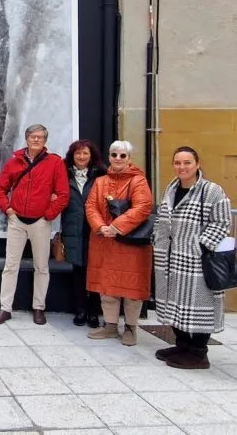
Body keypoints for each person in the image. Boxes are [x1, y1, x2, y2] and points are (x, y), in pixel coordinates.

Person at [153, 146, 232, 369]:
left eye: (187, 162)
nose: (182, 167)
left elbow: (222, 223)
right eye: (178, 162)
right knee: (174, 303)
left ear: (197, 164)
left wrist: (199, 246)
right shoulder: (170, 189)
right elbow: (161, 218)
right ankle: (182, 345)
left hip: (197, 261)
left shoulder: (211, 191)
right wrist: (156, 239)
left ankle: (198, 353)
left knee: (199, 305)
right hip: (169, 259)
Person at [0, 124, 69, 326]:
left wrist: (48, 215)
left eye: (41, 137)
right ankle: (5, 308)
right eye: (33, 137)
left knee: (41, 267)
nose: (36, 140)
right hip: (17, 221)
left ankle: (39, 308)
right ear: (26, 139)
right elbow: (0, 188)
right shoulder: (15, 161)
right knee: (10, 266)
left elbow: (63, 195)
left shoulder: (55, 163)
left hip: (40, 223)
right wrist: (8, 209)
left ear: (45, 141)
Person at [85, 140, 154, 346]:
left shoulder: (138, 181)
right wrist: (100, 227)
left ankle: (131, 328)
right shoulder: (100, 182)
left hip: (130, 244)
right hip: (104, 242)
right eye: (114, 154)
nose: (117, 159)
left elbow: (143, 207)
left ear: (129, 158)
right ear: (109, 157)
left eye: (122, 155)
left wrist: (115, 227)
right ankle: (110, 325)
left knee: (132, 290)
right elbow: (90, 206)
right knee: (107, 287)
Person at [58, 139, 106, 327]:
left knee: (95, 271)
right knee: (78, 271)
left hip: (95, 229)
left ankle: (94, 312)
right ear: (72, 155)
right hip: (73, 228)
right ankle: (80, 310)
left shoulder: (101, 174)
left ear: (91, 155)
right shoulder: (64, 174)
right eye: (78, 153)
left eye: (85, 153)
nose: (81, 156)